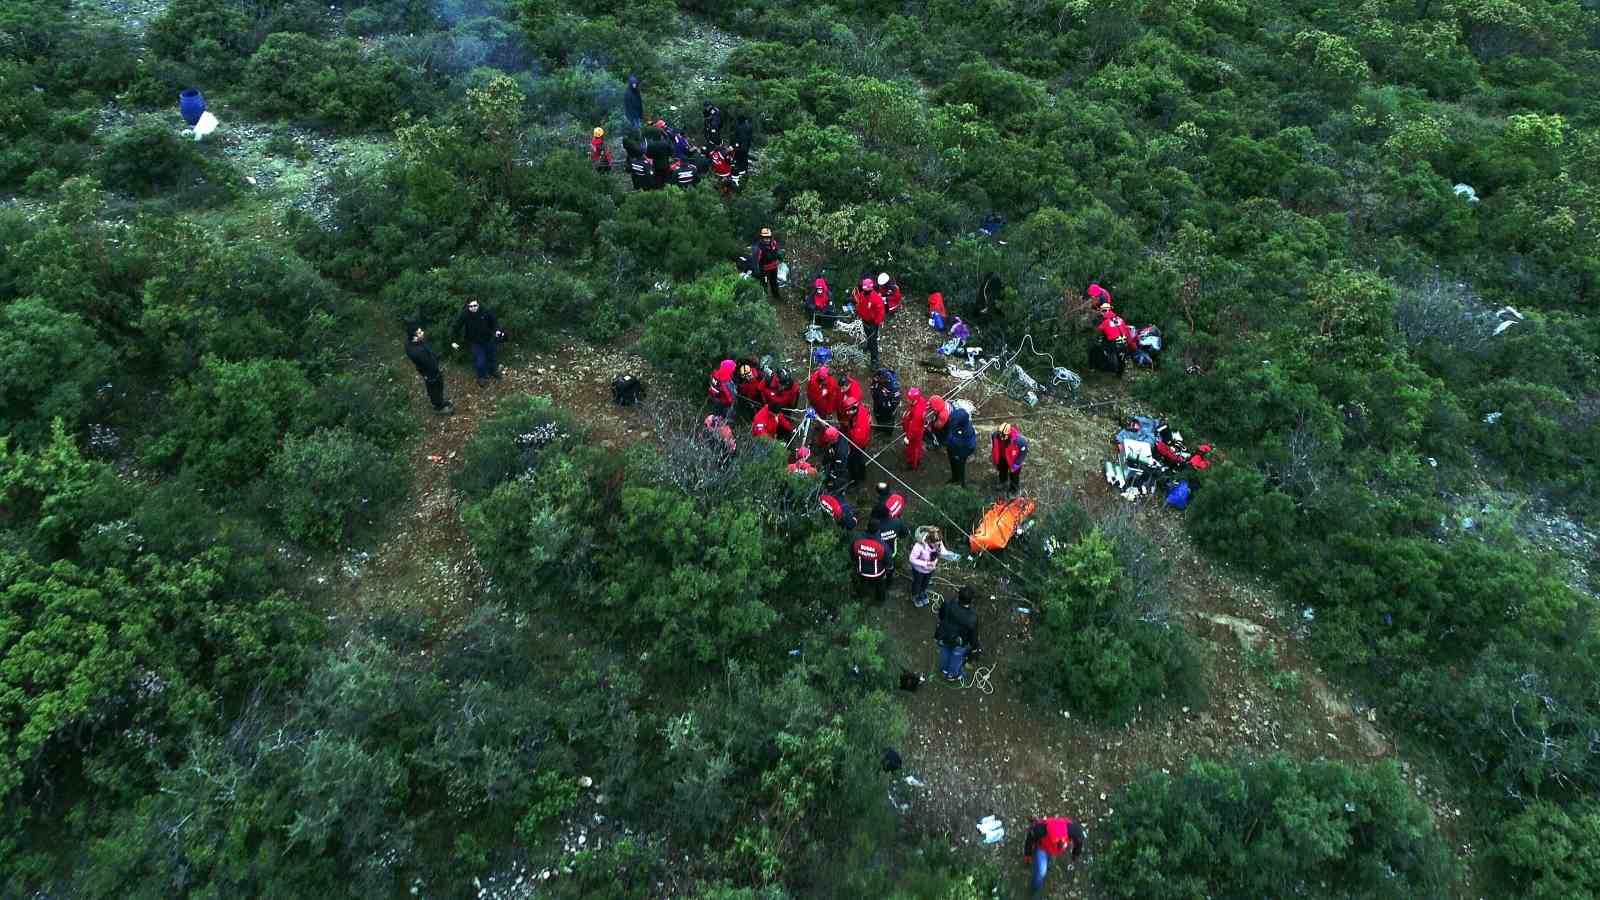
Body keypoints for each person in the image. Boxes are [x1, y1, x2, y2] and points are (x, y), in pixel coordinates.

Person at [1024, 817, 1086, 897]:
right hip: (1042, 848)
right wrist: (1028, 855)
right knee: (1041, 873)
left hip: (1051, 848)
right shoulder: (1040, 830)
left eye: (1062, 840)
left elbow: (1079, 840)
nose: (1061, 843)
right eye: (1057, 841)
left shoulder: (1073, 831)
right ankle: (1034, 891)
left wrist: (1075, 854)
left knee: (1048, 858)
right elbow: (1030, 839)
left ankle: (1047, 861)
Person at [450, 299, 503, 386]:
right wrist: (453, 341)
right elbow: (456, 327)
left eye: (475, 305)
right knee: (480, 361)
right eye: (471, 306)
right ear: (468, 306)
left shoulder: (485, 311)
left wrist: (497, 330)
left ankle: (492, 371)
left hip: (488, 339)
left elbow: (494, 321)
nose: (473, 308)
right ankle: (481, 377)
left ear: (478, 305)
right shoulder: (464, 314)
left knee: (491, 357)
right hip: (475, 342)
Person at [403, 322, 452, 415]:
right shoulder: (418, 351)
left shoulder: (410, 342)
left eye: (421, 331)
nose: (423, 333)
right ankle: (438, 407)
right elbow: (431, 364)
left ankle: (440, 402)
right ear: (414, 337)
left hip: (425, 369)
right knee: (435, 386)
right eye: (420, 332)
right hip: (430, 371)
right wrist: (437, 365)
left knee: (434, 386)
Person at [929, 395, 977, 486]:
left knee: (960, 465)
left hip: (962, 450)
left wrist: (958, 453)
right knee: (953, 462)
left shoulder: (966, 432)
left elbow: (968, 445)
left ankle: (961, 483)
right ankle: (954, 478)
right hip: (954, 447)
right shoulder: (958, 424)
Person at [934, 587, 979, 681]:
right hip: (959, 642)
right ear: (970, 601)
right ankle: (952, 675)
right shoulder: (972, 617)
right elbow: (973, 636)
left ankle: (944, 669)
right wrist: (975, 648)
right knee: (956, 657)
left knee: (945, 651)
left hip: (944, 636)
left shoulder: (947, 604)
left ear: (958, 596)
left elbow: (941, 616)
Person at [851, 528, 891, 604]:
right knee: (880, 585)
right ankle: (880, 600)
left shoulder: (857, 542)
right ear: (877, 531)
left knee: (862, 583)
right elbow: (888, 560)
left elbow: (852, 553)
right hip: (877, 573)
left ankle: (860, 596)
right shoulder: (882, 546)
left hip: (861, 571)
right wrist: (888, 568)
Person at [840, 396, 873, 485]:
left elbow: (857, 439)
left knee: (856, 461)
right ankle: (860, 475)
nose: (847, 412)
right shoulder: (858, 411)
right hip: (857, 442)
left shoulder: (860, 423)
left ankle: (857, 479)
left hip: (858, 445)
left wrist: (849, 430)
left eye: (848, 410)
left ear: (854, 409)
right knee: (857, 460)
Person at [853, 276, 885, 366]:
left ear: (871, 289)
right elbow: (860, 305)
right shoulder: (862, 295)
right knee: (867, 335)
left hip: (873, 323)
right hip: (865, 321)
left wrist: (876, 323)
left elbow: (881, 312)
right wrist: (857, 313)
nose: (866, 291)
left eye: (867, 290)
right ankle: (868, 346)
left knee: (873, 340)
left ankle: (874, 359)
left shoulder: (876, 298)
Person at [907, 526, 943, 608]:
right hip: (919, 570)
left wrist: (934, 562)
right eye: (935, 544)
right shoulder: (919, 546)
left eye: (939, 543)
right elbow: (912, 559)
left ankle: (922, 592)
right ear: (928, 540)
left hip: (930, 570)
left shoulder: (938, 543)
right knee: (917, 583)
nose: (937, 546)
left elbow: (938, 554)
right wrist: (926, 564)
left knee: (926, 582)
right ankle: (915, 596)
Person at [991, 423, 1029, 494]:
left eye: (1003, 435)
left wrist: (1016, 464)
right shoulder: (995, 435)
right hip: (1002, 458)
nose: (1001, 437)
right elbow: (994, 447)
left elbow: (1024, 452)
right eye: (1000, 434)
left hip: (1013, 461)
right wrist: (995, 458)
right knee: (1002, 471)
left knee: (1014, 476)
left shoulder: (1019, 441)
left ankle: (1014, 489)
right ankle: (1003, 481)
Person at [902, 387, 928, 470]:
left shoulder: (918, 414)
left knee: (913, 449)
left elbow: (914, 428)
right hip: (917, 431)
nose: (907, 400)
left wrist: (908, 437)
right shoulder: (920, 401)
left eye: (909, 399)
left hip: (915, 434)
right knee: (917, 447)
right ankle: (917, 458)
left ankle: (912, 464)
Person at [755, 228, 783, 299]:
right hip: (764, 270)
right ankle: (764, 299)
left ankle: (776, 296)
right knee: (764, 284)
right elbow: (757, 261)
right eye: (765, 238)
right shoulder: (759, 248)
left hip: (773, 268)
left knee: (774, 283)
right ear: (762, 238)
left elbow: (777, 252)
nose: (767, 240)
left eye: (768, 238)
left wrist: (780, 257)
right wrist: (759, 271)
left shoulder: (773, 244)